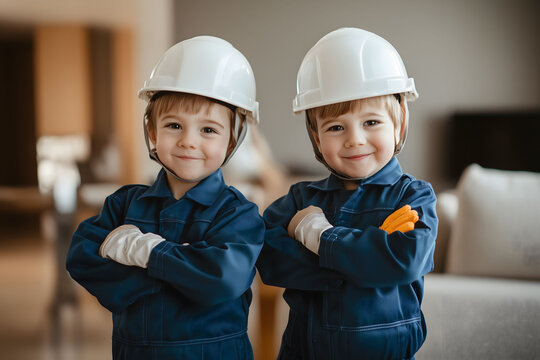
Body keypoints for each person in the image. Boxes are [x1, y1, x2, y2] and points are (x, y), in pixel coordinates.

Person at [66, 36, 265, 359]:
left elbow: (221, 279)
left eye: (208, 130)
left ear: (231, 142)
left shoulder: (239, 214)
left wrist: (147, 253)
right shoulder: (123, 205)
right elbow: (82, 260)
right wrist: (185, 272)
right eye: (174, 125)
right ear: (153, 133)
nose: (188, 141)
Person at [257, 28, 438, 359]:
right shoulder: (300, 199)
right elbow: (268, 259)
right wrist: (368, 260)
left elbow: (405, 260)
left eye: (371, 122)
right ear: (315, 137)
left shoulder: (413, 196)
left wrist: (319, 237)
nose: (354, 139)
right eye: (336, 127)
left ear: (399, 124)